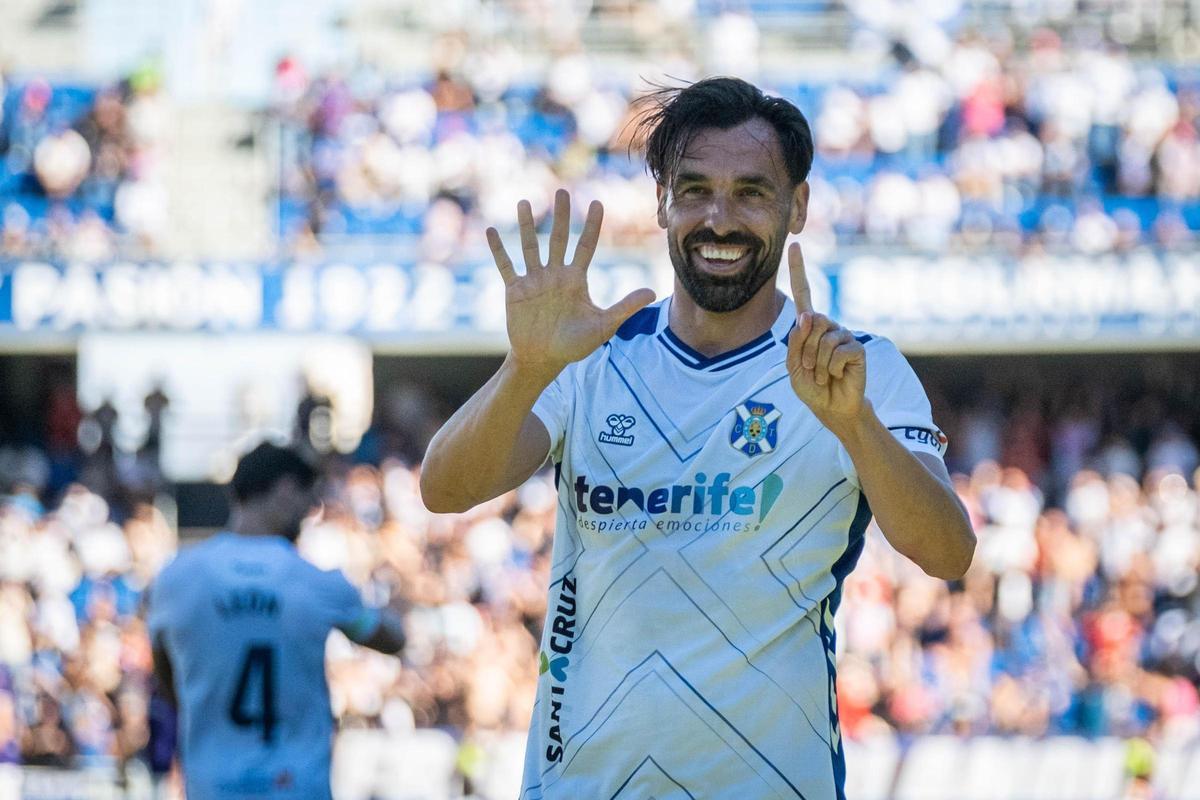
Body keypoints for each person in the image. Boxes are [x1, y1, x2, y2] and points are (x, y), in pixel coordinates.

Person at [421, 77, 975, 799]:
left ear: (797, 207)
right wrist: (524, 370)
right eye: (694, 190)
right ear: (661, 202)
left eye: (751, 191)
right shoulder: (587, 357)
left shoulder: (855, 368)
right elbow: (444, 489)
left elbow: (948, 551)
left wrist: (854, 425)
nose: (719, 218)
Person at [147, 442, 405, 800]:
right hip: (296, 785)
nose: (310, 511)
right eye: (308, 498)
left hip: (213, 786)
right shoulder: (317, 583)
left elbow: (166, 679)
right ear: (286, 488)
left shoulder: (176, 579)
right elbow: (392, 639)